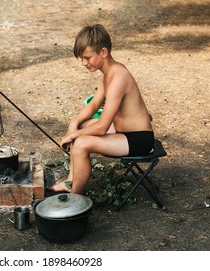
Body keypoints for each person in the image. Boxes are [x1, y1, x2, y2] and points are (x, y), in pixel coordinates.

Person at [49, 24, 154, 194]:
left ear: (103, 53)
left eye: (87, 58)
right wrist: (74, 123)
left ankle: (75, 199)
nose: (84, 63)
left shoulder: (119, 77)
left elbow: (102, 127)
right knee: (82, 126)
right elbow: (93, 105)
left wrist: (72, 135)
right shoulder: (107, 73)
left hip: (138, 139)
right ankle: (70, 182)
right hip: (122, 131)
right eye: (81, 58)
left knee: (81, 142)